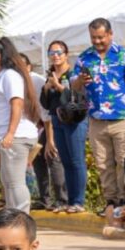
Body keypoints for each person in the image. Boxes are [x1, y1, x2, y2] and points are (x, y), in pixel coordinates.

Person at [72, 17, 125, 210]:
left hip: (122, 118)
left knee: (124, 161)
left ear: (110, 34)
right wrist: (80, 79)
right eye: (93, 38)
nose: (97, 41)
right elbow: (73, 85)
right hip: (96, 120)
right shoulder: (84, 57)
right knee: (103, 163)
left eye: (101, 37)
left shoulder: (124, 55)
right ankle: (110, 201)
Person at [0, 38, 41, 213]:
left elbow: (16, 104)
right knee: (8, 180)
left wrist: (10, 133)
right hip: (7, 137)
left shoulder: (10, 76)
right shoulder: (1, 76)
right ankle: (12, 216)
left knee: (15, 182)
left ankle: (22, 218)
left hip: (16, 137)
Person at [40, 40, 87, 213]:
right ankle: (69, 200)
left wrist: (58, 86)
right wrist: (47, 87)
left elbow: (76, 97)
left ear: (66, 54)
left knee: (76, 160)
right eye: (52, 53)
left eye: (59, 52)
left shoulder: (74, 74)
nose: (55, 56)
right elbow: (45, 103)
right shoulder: (51, 74)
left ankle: (79, 201)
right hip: (57, 119)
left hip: (74, 120)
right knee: (65, 161)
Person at [22, 52, 66, 211]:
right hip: (36, 126)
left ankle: (62, 199)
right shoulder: (15, 81)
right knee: (37, 159)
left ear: (29, 67)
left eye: (22, 66)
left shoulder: (36, 81)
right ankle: (44, 199)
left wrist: (50, 140)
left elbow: (46, 113)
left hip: (50, 124)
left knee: (52, 156)